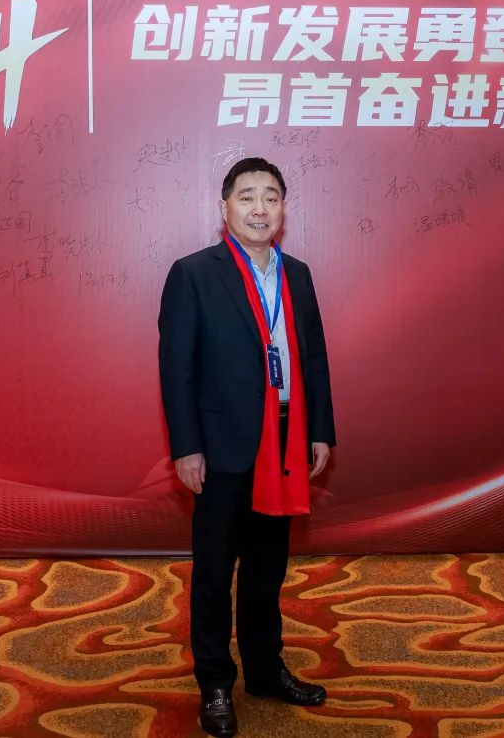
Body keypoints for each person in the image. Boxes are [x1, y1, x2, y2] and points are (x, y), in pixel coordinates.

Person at [158, 157, 336, 737]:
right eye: (247, 197)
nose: (260, 208)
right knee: (215, 572)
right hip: (222, 447)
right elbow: (176, 370)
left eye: (271, 197)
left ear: (283, 208)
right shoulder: (194, 273)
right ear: (225, 207)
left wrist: (320, 430)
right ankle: (214, 681)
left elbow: (313, 357)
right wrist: (187, 446)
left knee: (267, 569)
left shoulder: (297, 275)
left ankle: (263, 669)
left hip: (284, 442)